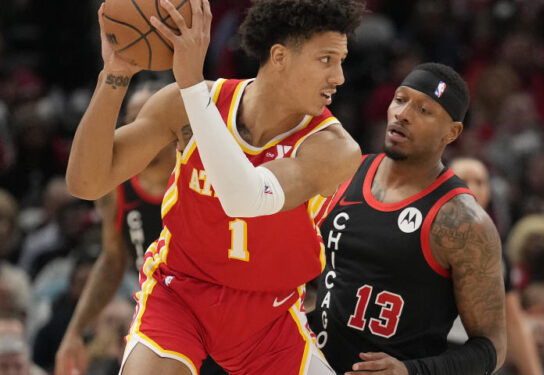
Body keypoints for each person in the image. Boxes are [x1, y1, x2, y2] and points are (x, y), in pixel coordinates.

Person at [65, 0, 364, 374]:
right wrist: (115, 74)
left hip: (267, 317)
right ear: (280, 56)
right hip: (180, 294)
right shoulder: (184, 104)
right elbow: (85, 183)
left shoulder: (334, 147)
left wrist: (191, 86)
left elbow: (245, 197)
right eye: (326, 60)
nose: (339, 77)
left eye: (340, 61)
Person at [308, 63, 506, 374]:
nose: (403, 114)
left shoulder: (462, 222)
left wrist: (412, 371)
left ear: (451, 133)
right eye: (400, 100)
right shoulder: (345, 172)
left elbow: (491, 348)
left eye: (424, 110)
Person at [56, 82, 228, 375]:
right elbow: (112, 261)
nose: (138, 128)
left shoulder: (207, 173)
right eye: (131, 120)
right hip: (164, 317)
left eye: (147, 117)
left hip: (222, 315)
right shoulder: (115, 189)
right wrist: (75, 330)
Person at [449, 157, 543, 375]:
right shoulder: (422, 231)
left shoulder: (496, 249)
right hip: (428, 351)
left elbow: (513, 320)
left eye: (480, 182)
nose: (472, 188)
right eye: (463, 179)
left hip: (474, 355)